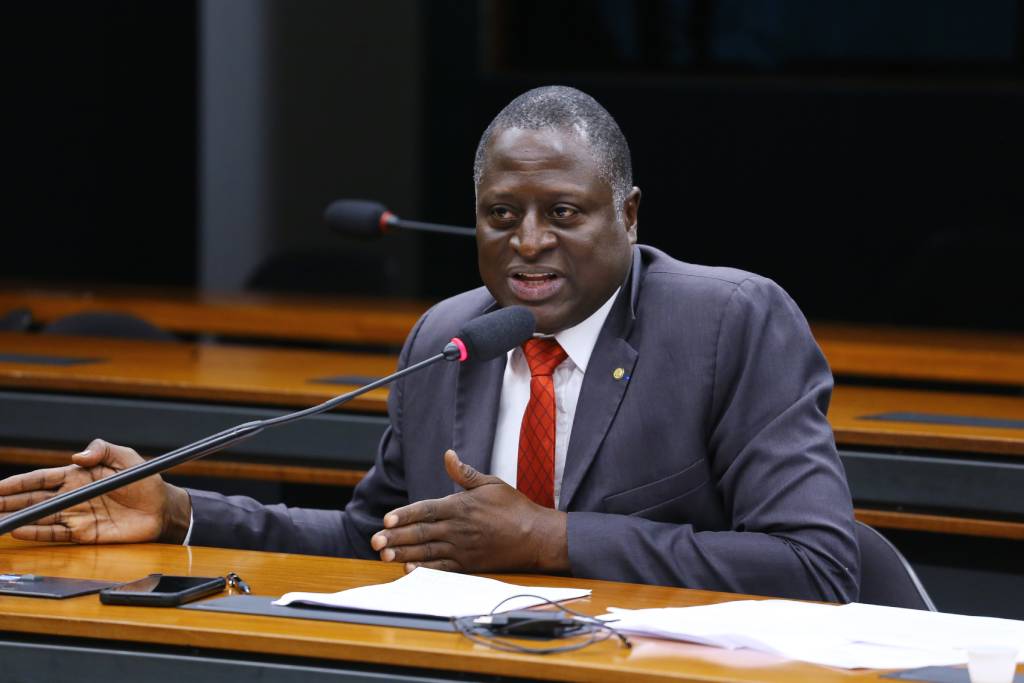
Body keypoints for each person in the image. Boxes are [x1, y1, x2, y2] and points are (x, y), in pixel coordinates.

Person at [0, 86, 858, 601]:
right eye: (500, 215)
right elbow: (375, 537)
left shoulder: (732, 322)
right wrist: (184, 515)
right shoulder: (448, 338)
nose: (527, 241)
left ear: (628, 216)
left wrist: (553, 538)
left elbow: (819, 565)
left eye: (563, 213)